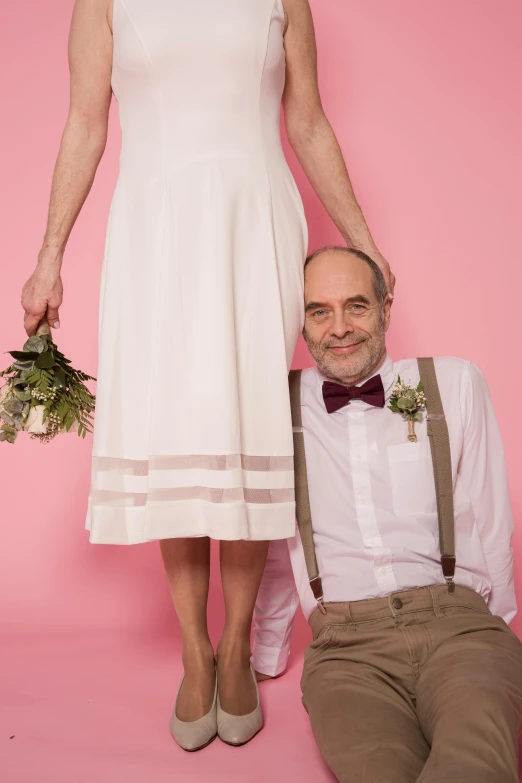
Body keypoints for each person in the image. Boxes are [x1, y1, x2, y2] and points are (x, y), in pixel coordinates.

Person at [19, 0, 393, 752]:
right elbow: (85, 123)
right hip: (154, 231)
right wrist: (49, 254)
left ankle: (235, 650)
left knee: (244, 429)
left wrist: (364, 243)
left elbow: (309, 122)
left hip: (253, 226)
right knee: (178, 436)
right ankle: (196, 648)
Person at [252, 246, 522, 782]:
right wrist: (266, 652)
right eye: (318, 311)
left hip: (461, 628)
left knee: (477, 759)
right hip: (346, 653)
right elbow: (275, 539)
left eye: (357, 305)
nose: (339, 328)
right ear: (299, 322)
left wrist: (500, 633)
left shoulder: (455, 382)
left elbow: (492, 518)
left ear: (386, 308)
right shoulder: (275, 403)